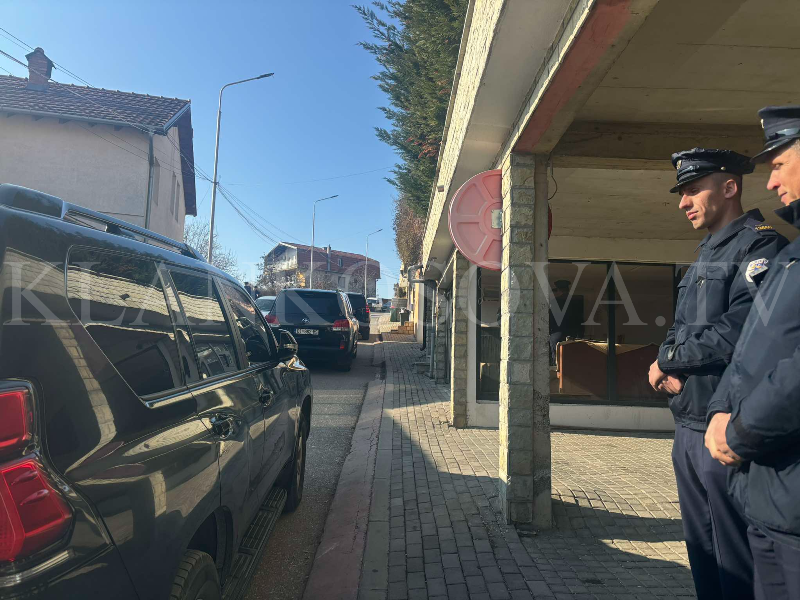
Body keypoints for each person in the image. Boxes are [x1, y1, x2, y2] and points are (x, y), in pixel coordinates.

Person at [648, 148, 788, 599]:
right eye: (682, 193)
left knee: (736, 561)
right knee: (703, 555)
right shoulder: (708, 251)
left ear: (729, 188)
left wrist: (668, 361)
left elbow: (739, 332)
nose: (683, 202)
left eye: (693, 190)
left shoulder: (761, 247)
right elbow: (683, 327)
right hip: (687, 423)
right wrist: (667, 360)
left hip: (722, 427)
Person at [706, 106, 800, 599]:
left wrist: (739, 430)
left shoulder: (768, 249)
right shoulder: (791, 256)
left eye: (779, 163)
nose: (771, 181)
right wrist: (721, 409)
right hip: (769, 494)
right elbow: (750, 347)